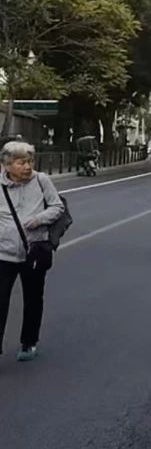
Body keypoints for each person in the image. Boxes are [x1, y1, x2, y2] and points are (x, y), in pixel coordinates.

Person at [0, 140, 63, 362]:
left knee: (33, 299)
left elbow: (57, 207)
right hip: (3, 253)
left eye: (30, 161)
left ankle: (29, 343)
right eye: (21, 162)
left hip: (34, 251)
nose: (27, 166)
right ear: (7, 165)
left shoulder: (41, 180)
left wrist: (39, 219)